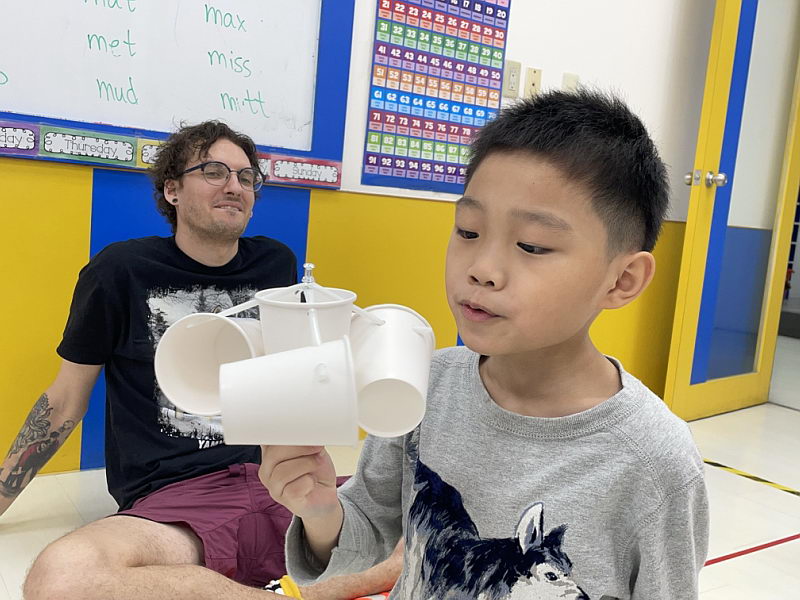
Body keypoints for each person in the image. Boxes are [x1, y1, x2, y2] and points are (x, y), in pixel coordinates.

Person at [261, 90, 710, 599]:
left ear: (622, 280)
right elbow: (367, 538)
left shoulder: (655, 462)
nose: (482, 269)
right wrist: (321, 510)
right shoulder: (424, 383)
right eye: (469, 231)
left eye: (532, 245)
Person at [0, 121, 401, 600]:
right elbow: (66, 400)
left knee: (440, 504)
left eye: (246, 177)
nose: (235, 186)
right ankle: (316, 590)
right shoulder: (120, 271)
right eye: (214, 172)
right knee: (63, 579)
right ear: (172, 190)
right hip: (179, 503)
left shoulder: (276, 264)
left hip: (286, 482)